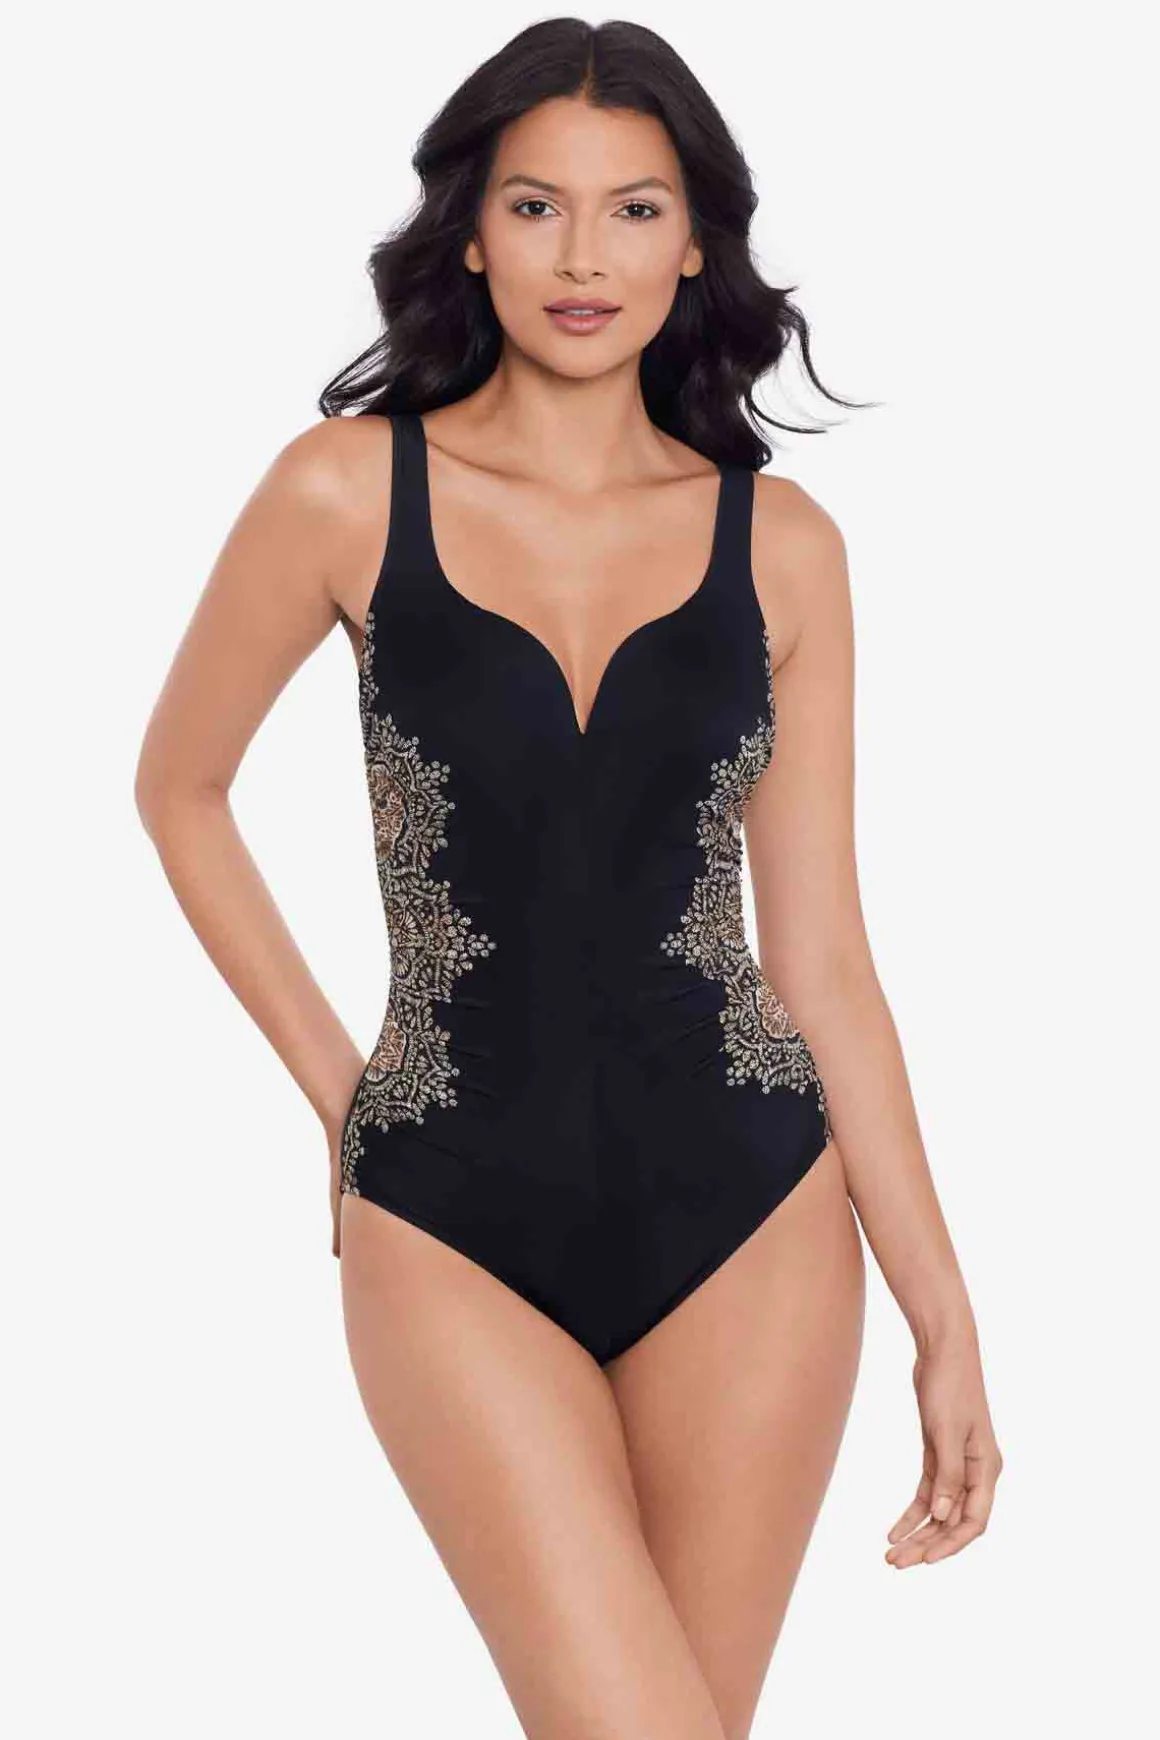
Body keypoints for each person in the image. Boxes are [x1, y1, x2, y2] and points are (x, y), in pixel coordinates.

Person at [135, 18, 1002, 1739]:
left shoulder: (786, 545)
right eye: (537, 207)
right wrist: (343, 1100)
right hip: (445, 1207)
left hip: (752, 1219)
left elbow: (824, 957)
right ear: (471, 232)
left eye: (634, 210)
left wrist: (945, 1311)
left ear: (695, 244)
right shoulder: (343, 493)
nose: (584, 257)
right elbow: (181, 791)